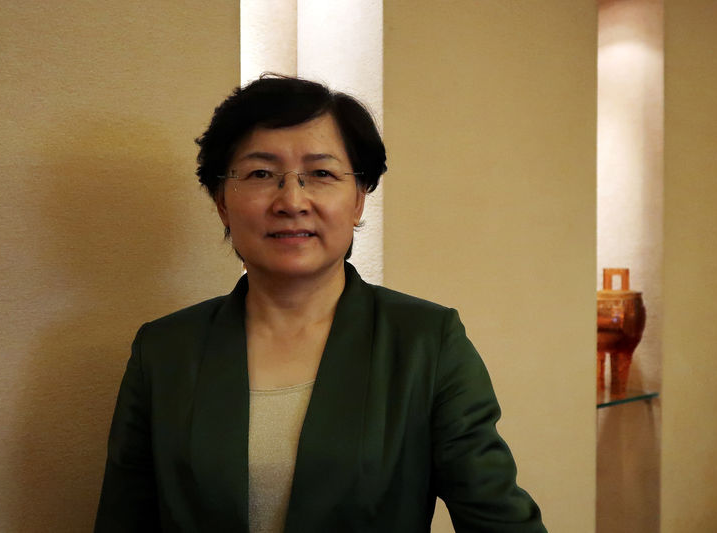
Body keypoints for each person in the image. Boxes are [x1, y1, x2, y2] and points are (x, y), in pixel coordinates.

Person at [95, 74, 546, 533]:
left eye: (322, 174)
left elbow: (499, 519)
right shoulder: (164, 350)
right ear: (221, 202)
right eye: (260, 174)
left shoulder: (427, 343)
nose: (292, 200)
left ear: (358, 199)